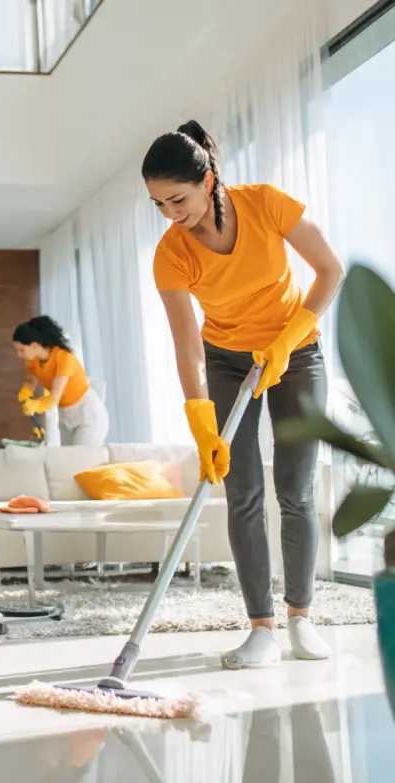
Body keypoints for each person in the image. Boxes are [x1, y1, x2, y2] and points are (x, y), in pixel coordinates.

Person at [142, 120, 344, 668]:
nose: (170, 214)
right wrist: (200, 419)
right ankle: (260, 628)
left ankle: (301, 618)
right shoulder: (171, 253)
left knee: (296, 489)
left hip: (295, 350)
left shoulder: (266, 205)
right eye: (159, 204)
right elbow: (187, 345)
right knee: (243, 492)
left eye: (176, 199)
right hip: (227, 361)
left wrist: (286, 340)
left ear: (207, 181)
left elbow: (330, 270)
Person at [13, 315, 109, 447]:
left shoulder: (64, 358)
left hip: (88, 413)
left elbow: (54, 398)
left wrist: (36, 405)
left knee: (83, 462)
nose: (19, 354)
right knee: (67, 461)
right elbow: (30, 380)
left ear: (34, 346)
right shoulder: (32, 360)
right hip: (65, 415)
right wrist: (26, 391)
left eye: (21, 350)